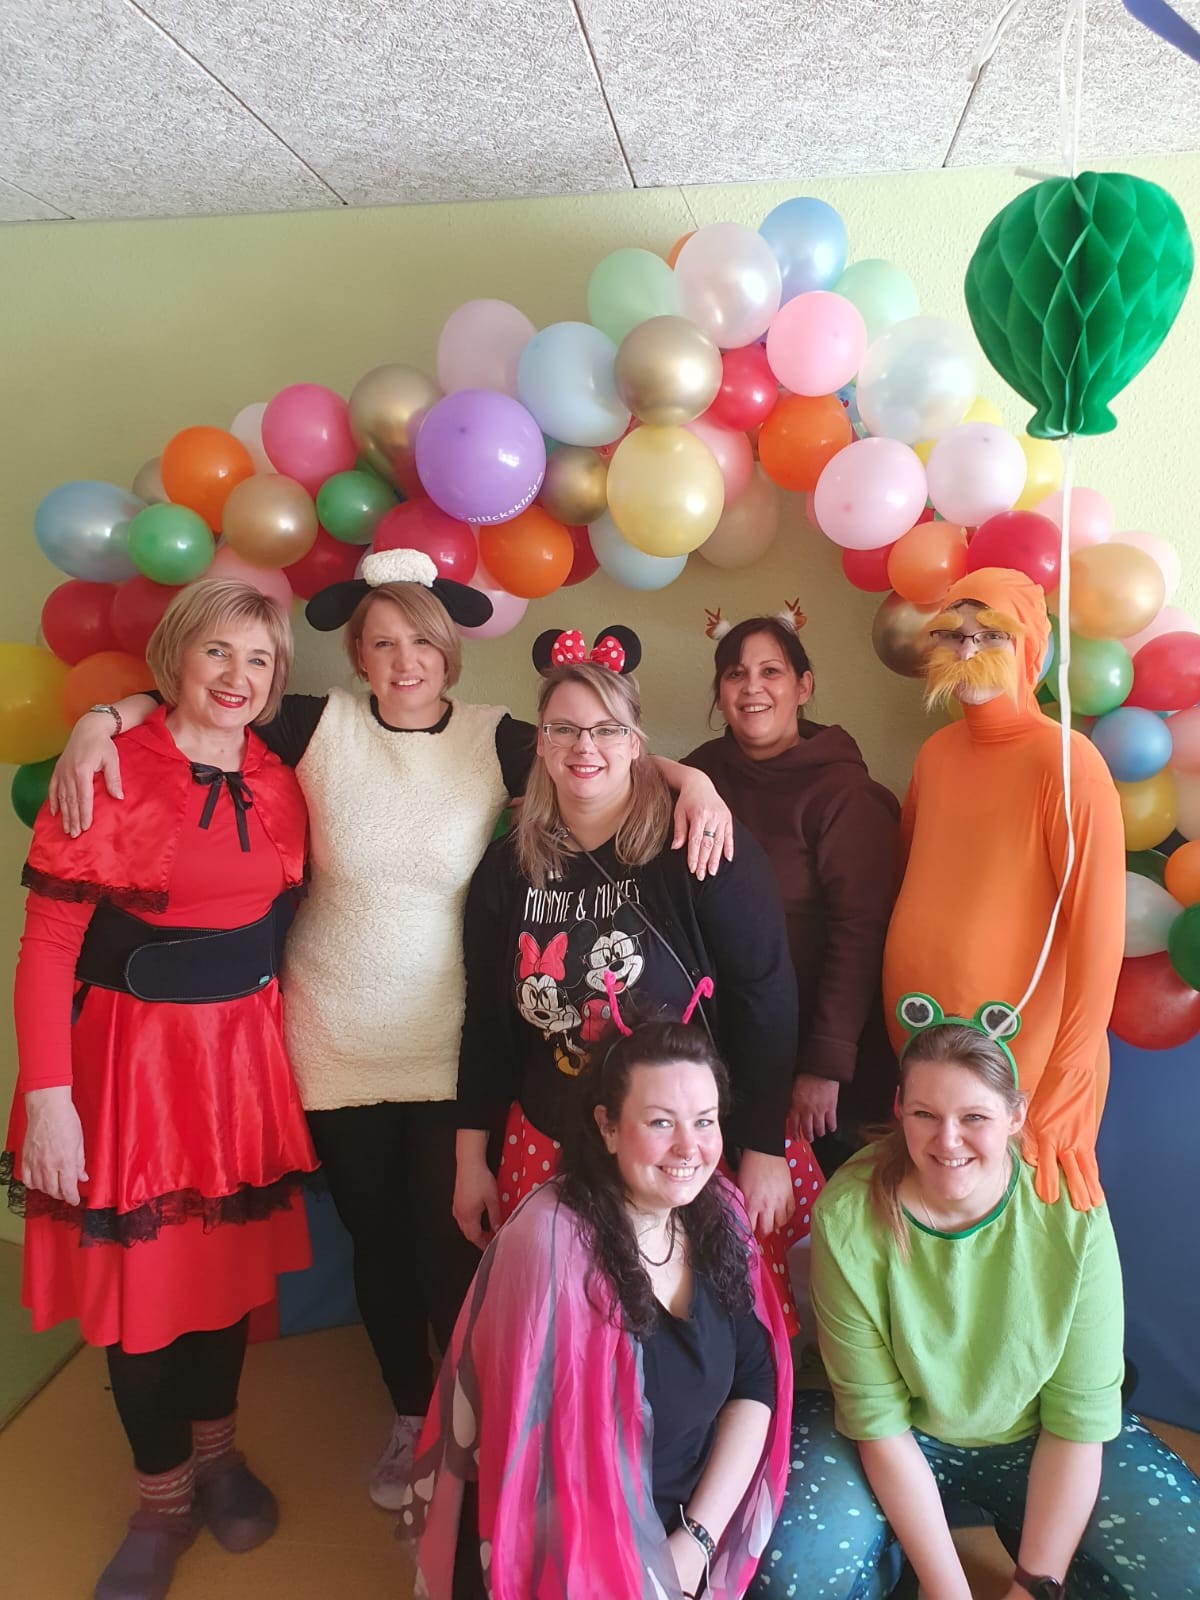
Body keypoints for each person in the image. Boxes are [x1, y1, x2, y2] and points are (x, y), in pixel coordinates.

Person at [47, 552, 733, 1512]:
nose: (404, 660)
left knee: (449, 1240)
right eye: (381, 643)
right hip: (331, 1038)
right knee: (376, 1243)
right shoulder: (315, 723)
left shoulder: (496, 736)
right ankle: (410, 1414)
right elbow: (194, 707)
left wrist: (692, 782)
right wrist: (100, 718)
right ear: (357, 657)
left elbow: (598, 744)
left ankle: (465, 1426)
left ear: (449, 652)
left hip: (448, 1038)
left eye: (421, 641)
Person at [1, 579, 317, 1600]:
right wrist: (48, 1097)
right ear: (177, 654)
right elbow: (47, 948)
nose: (236, 676)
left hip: (237, 1069)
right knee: (139, 1295)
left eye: (258, 660)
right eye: (217, 651)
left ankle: (218, 1458)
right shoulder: (112, 767)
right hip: (128, 1068)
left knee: (219, 1282)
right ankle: (161, 1498)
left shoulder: (278, 777)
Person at [751, 1002, 1200, 1599]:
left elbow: (1079, 1419)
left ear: (1016, 1115)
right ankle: (893, 1554)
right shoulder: (847, 1215)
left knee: (1188, 1571)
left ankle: (1032, 1535)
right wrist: (948, 1589)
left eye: (974, 1117)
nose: (948, 1140)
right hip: (894, 1439)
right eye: (925, 1114)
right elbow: (878, 1422)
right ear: (899, 1109)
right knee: (793, 1578)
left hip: (1039, 1437)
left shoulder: (1072, 1209)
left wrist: (1034, 1584)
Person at [453, 636, 819, 1333]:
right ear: (542, 743)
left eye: (606, 729)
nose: (584, 747)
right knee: (579, 1333)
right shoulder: (506, 868)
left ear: (635, 743)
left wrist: (764, 1147)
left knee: (702, 1333)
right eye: (564, 729)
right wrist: (471, 1159)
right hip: (554, 1139)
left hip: (690, 1146)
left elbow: (766, 999)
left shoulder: (698, 845)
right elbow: (486, 1025)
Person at [403, 1007, 793, 1599]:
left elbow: (755, 1379)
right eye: (660, 1122)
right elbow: (538, 1475)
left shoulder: (719, 1214)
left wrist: (696, 1542)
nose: (689, 1148)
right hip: (570, 1546)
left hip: (687, 1529)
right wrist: (639, 1577)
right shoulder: (549, 1249)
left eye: (705, 1121)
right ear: (607, 1128)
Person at [882, 567, 1125, 1212]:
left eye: (990, 635)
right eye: (952, 633)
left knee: (1018, 1233)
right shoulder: (935, 754)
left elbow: (1099, 936)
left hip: (1023, 1063)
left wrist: (1070, 1080)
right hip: (920, 1045)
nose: (967, 650)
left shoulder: (1066, 763)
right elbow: (909, 874)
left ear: (1029, 649)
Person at [684, 606, 900, 1175]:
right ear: (720, 693)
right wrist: (686, 780)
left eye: (770, 671)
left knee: (816, 1211)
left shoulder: (845, 794)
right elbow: (631, 780)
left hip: (818, 1061)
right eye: (735, 674)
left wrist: (825, 1065)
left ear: (803, 687)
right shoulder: (702, 774)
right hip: (721, 1054)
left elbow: (861, 935)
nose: (751, 687)